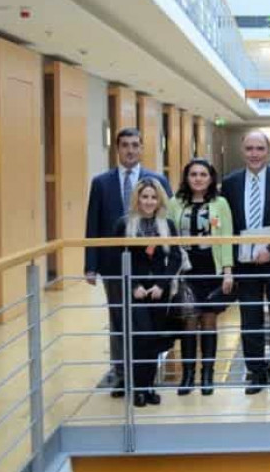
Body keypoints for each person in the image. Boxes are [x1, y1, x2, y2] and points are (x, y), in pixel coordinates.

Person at [84, 127, 172, 397]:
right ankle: (122, 374)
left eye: (135, 145)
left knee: (149, 323)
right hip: (113, 266)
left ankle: (147, 377)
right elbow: (93, 224)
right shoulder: (101, 182)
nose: (130, 150)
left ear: (142, 148)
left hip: (151, 267)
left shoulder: (157, 180)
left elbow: (169, 220)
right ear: (117, 148)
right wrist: (90, 264)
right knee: (120, 321)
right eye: (125, 145)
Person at [221, 131, 270, 395]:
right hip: (245, 265)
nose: (254, 154)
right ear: (242, 151)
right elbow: (227, 225)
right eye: (249, 148)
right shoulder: (230, 183)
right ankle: (256, 372)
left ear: (268, 151)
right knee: (250, 321)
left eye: (259, 148)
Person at [168, 159, 234, 396]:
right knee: (188, 321)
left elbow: (226, 237)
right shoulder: (175, 203)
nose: (198, 178)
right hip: (186, 270)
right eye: (193, 174)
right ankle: (187, 376)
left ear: (210, 178)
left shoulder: (220, 203)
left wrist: (228, 271)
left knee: (208, 321)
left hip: (212, 268)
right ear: (186, 177)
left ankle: (207, 375)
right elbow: (168, 238)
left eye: (203, 174)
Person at [113, 178, 181, 407]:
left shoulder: (167, 225)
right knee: (140, 339)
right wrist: (134, 286)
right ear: (137, 199)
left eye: (153, 197)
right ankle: (139, 389)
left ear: (159, 200)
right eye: (145, 197)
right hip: (136, 291)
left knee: (153, 340)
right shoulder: (124, 224)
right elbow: (118, 260)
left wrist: (161, 284)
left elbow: (175, 258)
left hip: (159, 292)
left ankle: (149, 386)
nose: (149, 201)